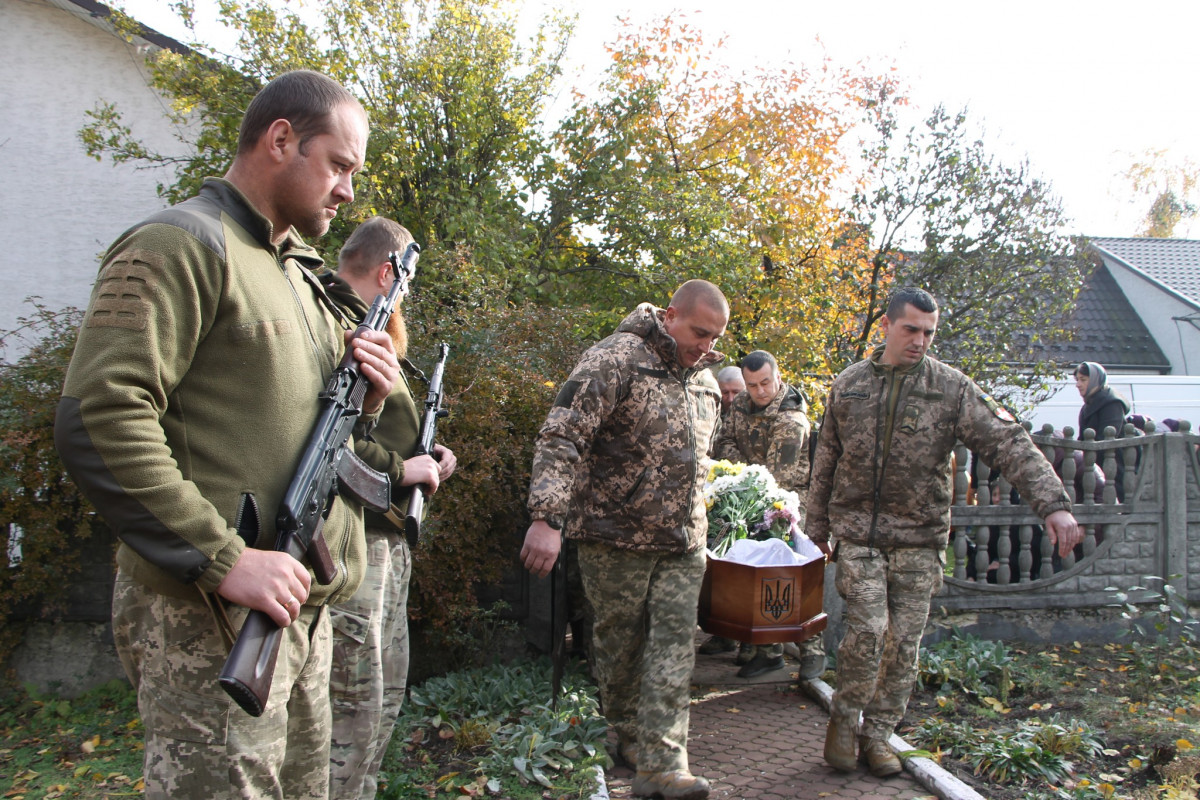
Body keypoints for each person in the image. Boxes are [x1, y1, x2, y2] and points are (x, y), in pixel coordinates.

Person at [54, 70, 400, 800]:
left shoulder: (303, 275)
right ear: (281, 139)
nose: (346, 190)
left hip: (301, 609)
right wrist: (222, 559)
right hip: (210, 612)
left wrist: (366, 399)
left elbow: (299, 423)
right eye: (339, 165)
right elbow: (101, 416)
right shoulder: (180, 246)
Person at [807, 287, 1081, 779]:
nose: (919, 341)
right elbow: (825, 462)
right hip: (860, 537)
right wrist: (815, 530)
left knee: (903, 645)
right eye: (911, 329)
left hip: (919, 538)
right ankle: (845, 724)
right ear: (887, 326)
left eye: (929, 332)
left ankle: (879, 736)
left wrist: (1053, 504)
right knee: (867, 633)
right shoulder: (848, 386)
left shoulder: (951, 389)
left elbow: (1008, 441)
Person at [520, 280, 728, 800]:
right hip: (615, 540)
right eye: (699, 333)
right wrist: (547, 517)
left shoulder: (705, 382)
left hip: (683, 543)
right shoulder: (614, 360)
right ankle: (633, 737)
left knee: (675, 649)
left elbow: (700, 460)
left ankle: (663, 765)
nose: (706, 346)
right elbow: (562, 435)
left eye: (716, 338)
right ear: (669, 314)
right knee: (618, 651)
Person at [322, 217, 457, 800]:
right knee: (352, 699)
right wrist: (404, 470)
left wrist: (427, 457)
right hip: (355, 538)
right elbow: (330, 438)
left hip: (386, 532)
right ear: (387, 272)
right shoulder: (340, 325)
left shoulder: (370, 328)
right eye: (406, 282)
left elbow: (373, 428)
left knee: (383, 691)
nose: (407, 295)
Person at [707, 350, 824, 680]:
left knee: (793, 578)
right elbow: (723, 440)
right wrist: (744, 471)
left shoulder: (791, 418)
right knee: (754, 574)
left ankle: (812, 652)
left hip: (787, 505)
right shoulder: (742, 403)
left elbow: (779, 476)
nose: (759, 391)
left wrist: (743, 471)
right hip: (751, 494)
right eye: (752, 384)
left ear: (778, 376)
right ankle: (765, 650)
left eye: (765, 383)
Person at [1074, 362, 1131, 441]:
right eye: (1077, 380)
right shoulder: (1088, 405)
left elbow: (1107, 440)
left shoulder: (1112, 404)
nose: (1077, 384)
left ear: (1095, 380)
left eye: (1083, 380)